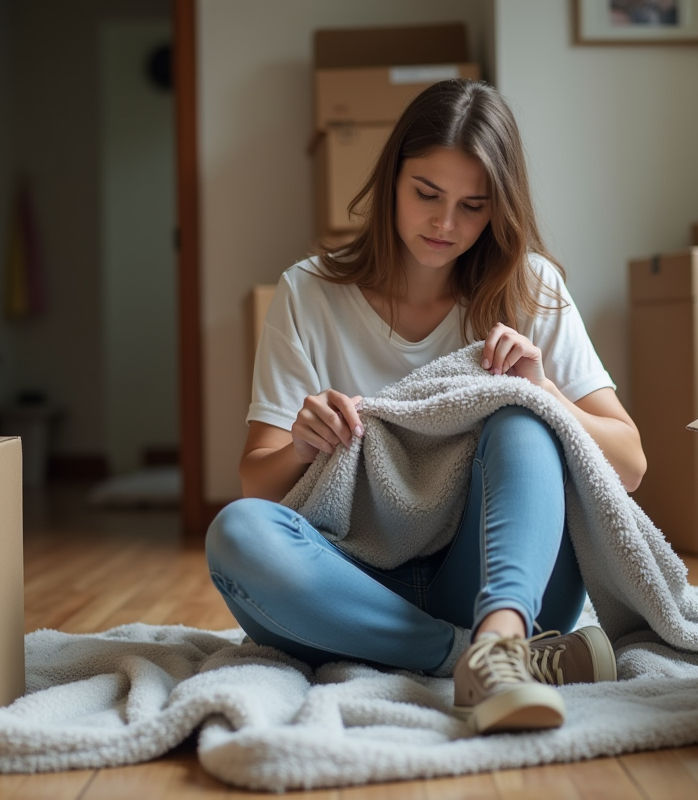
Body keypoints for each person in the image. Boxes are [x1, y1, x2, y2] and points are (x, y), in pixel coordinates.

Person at [205, 79, 646, 735]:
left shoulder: (530, 285)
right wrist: (300, 446)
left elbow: (630, 464)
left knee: (522, 415)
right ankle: (478, 660)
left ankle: (498, 638)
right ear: (390, 182)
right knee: (236, 536)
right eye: (427, 195)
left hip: (505, 584)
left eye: (473, 206)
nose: (445, 225)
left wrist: (542, 388)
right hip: (349, 581)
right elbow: (256, 484)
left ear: (500, 208)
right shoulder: (309, 293)